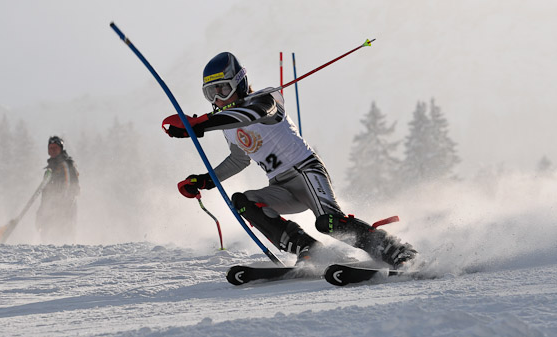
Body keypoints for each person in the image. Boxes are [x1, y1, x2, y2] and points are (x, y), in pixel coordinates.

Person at [162, 52, 416, 268]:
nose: (219, 100)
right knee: (242, 201)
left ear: (239, 84)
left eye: (224, 90)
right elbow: (239, 160)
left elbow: (254, 114)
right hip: (280, 185)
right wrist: (204, 180)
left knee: (328, 222)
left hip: (305, 171)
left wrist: (199, 124)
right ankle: (310, 250)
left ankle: (395, 251)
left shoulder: (266, 99)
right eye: (211, 94)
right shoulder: (228, 126)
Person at [35, 136, 80, 244]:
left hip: (64, 209)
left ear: (61, 149)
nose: (53, 151)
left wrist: (62, 206)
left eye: (55, 148)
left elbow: (70, 187)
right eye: (50, 148)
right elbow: (45, 193)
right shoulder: (51, 168)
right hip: (51, 209)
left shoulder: (65, 165)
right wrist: (41, 212)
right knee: (47, 237)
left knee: (63, 237)